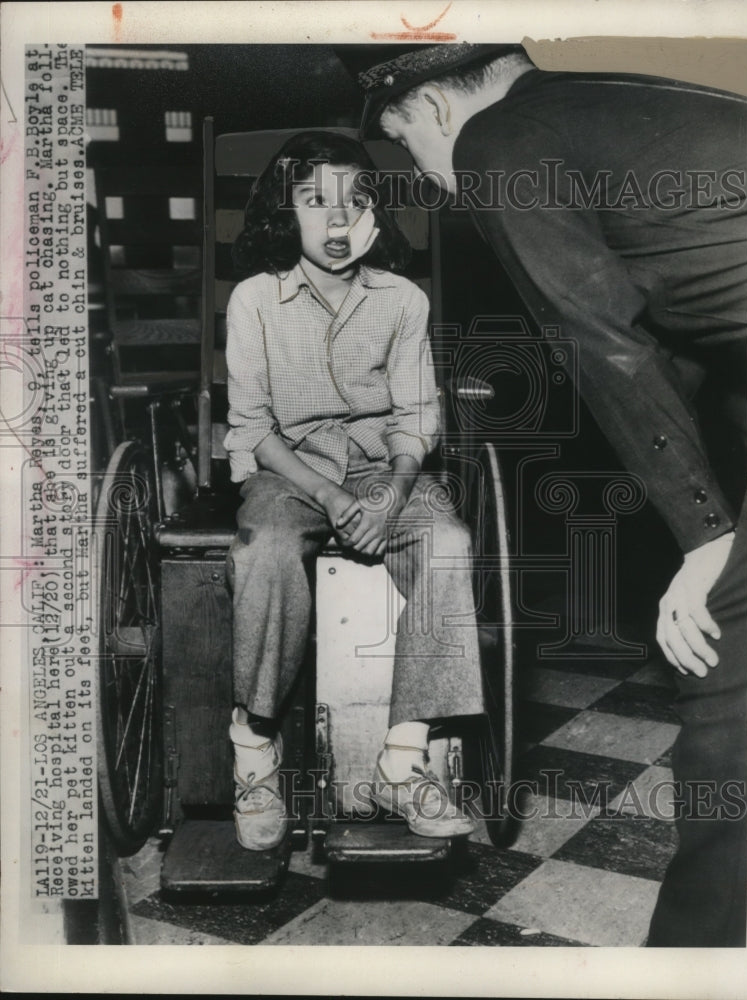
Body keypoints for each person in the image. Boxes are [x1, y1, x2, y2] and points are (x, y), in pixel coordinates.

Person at [346, 42, 747, 946]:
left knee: (728, 661)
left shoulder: (494, 146)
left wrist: (706, 534)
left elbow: (600, 340)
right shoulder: (619, 98)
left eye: (404, 150)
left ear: (428, 112)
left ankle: (698, 962)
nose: (430, 180)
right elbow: (683, 329)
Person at [223, 130, 483, 852]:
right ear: (284, 213)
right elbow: (255, 428)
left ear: (375, 214)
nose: (337, 224)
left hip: (381, 470)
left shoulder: (401, 299)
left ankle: (405, 756)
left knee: (448, 543)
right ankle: (254, 746)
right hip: (291, 469)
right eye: (314, 202)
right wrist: (335, 501)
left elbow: (415, 417)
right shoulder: (255, 301)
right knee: (266, 546)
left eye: (355, 202)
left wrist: (392, 492)